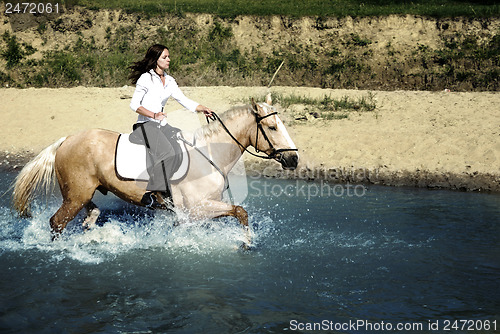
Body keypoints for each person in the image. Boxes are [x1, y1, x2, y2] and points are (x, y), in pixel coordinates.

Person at [129, 44, 213, 208]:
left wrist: (202, 108)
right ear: (155, 60)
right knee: (167, 152)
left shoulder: (169, 80)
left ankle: (175, 188)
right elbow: (134, 105)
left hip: (162, 124)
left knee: (183, 144)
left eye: (168, 56)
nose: (169, 60)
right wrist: (153, 115)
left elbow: (184, 100)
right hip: (145, 125)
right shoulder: (146, 78)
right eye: (164, 57)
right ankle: (152, 193)